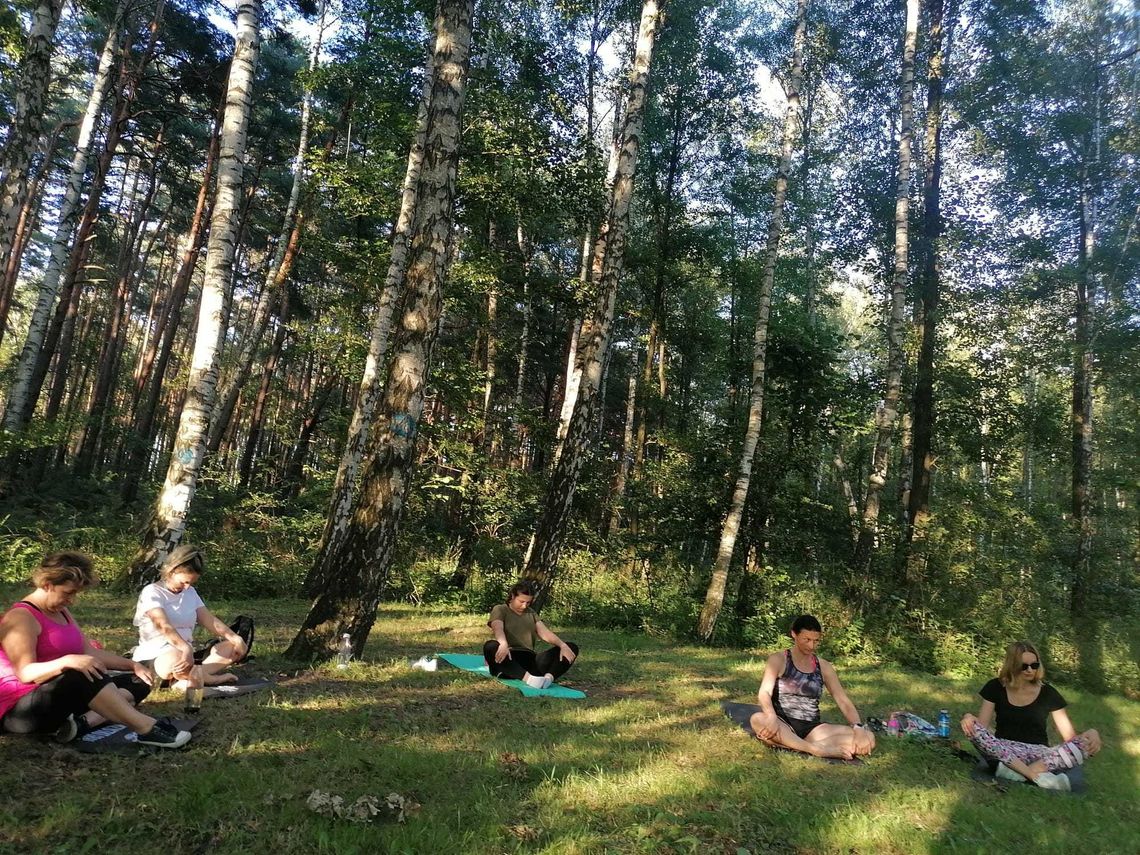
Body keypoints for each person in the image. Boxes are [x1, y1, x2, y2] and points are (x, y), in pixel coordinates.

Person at [0, 551, 190, 748]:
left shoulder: (62, 612)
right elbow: (25, 673)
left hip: (60, 696)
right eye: (68, 593)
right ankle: (146, 728)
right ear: (47, 584)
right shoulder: (21, 617)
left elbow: (89, 652)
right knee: (82, 672)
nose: (71, 600)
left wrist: (132, 665)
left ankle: (81, 723)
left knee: (137, 680)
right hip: (21, 712)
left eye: (75, 594)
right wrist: (68, 661)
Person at [960, 640, 1101, 791]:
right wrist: (969, 717)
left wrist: (1092, 734)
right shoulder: (995, 686)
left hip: (1039, 755)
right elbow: (982, 727)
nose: (1029, 670)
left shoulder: (1048, 693)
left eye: (1034, 665)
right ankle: (1034, 776)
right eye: (1024, 666)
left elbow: (1070, 739)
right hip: (1003, 749)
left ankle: (1019, 774)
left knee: (1081, 746)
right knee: (973, 729)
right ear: (1012, 665)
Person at [749, 615, 876, 760]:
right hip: (781, 723)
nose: (811, 646)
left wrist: (858, 728)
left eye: (816, 641)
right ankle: (818, 750)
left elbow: (842, 700)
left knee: (868, 737)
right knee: (757, 719)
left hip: (813, 730)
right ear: (794, 634)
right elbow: (764, 692)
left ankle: (791, 744)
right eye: (806, 639)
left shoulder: (824, 666)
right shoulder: (778, 659)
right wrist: (771, 717)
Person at [132, 545, 247, 687]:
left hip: (185, 655)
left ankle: (191, 676)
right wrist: (185, 648)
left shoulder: (190, 593)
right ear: (172, 571)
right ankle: (208, 679)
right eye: (184, 582)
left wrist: (235, 638)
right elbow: (163, 626)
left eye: (191, 583)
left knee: (232, 648)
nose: (187, 587)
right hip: (158, 654)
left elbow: (208, 619)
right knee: (173, 659)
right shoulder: (152, 592)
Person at [483, 581, 578, 689]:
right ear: (513, 596)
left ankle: (547, 680)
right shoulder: (500, 609)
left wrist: (563, 645)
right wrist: (503, 644)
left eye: (528, 602)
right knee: (490, 646)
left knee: (571, 647)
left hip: (530, 661)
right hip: (508, 659)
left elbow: (545, 633)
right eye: (521, 601)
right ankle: (529, 679)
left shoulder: (531, 613)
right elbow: (497, 628)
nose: (524, 606)